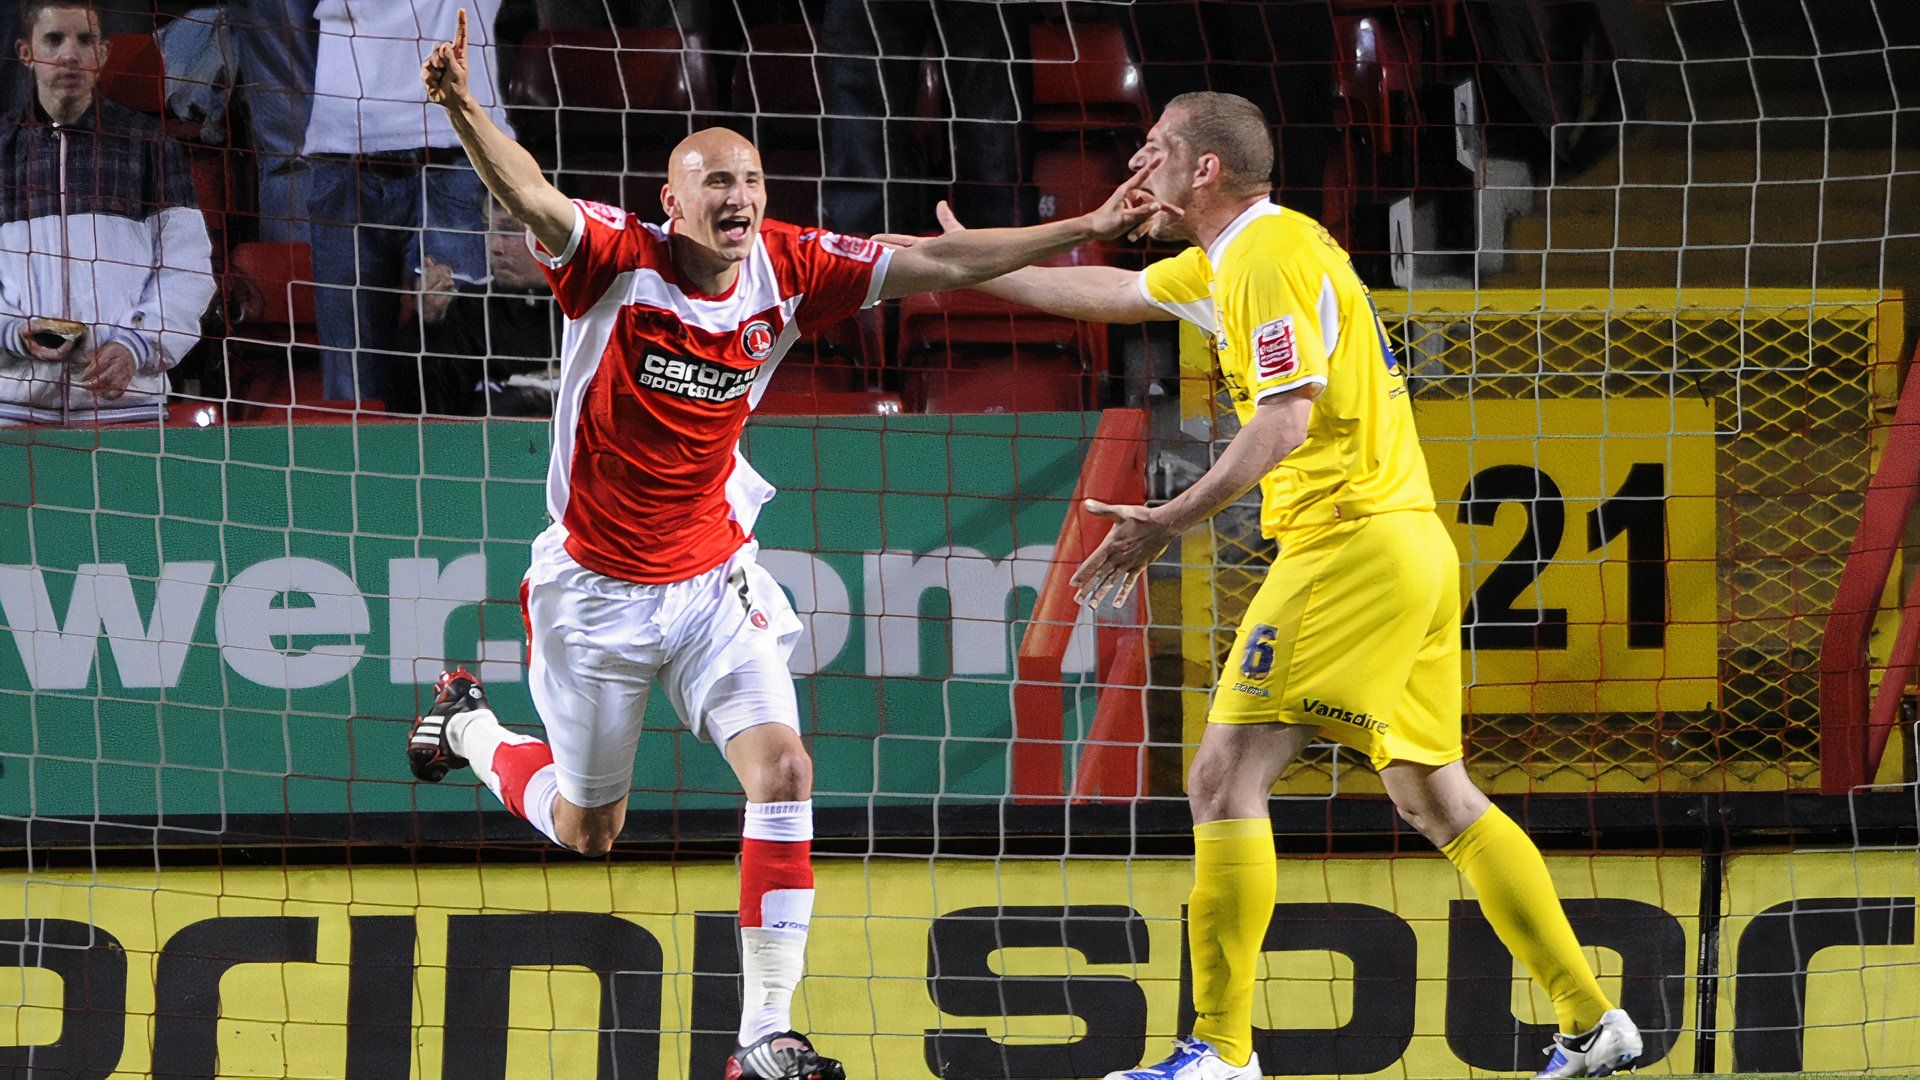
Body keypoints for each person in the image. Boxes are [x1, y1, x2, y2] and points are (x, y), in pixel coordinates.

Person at [403, 12, 1165, 1079]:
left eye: (750, 179)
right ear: (672, 202)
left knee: (786, 768)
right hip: (596, 592)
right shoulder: (612, 261)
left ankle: (763, 1032)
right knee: (587, 831)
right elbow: (529, 191)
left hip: (715, 577)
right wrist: (460, 104)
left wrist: (1082, 219)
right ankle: (471, 731)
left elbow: (944, 259)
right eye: (714, 182)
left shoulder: (793, 268)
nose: (738, 198)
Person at [894, 91, 1645, 1080]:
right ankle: (1595, 1023)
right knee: (1434, 796)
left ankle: (1222, 1052)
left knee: (1221, 777)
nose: (1136, 164)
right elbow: (1113, 298)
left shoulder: (1265, 256)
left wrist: (1170, 519)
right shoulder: (1231, 258)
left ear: (1204, 169)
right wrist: (976, 264)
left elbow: (1284, 421)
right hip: (1403, 544)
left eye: (1154, 150)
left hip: (1348, 546)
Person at [0, 0, 215, 424]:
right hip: (11, 410)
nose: (69, 54)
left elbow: (187, 271)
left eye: (84, 40)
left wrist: (137, 344)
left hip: (127, 407)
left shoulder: (150, 144)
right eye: (54, 39)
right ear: (26, 52)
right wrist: (11, 333)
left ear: (103, 54)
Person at [306, 0, 508, 410]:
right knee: (352, 386)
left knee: (459, 361)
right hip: (344, 156)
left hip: (453, 155)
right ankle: (357, 473)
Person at [405, 200, 562, 416]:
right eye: (489, 229)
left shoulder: (596, 308)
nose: (495, 247)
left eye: (510, 232)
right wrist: (428, 326)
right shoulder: (470, 308)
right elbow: (435, 413)